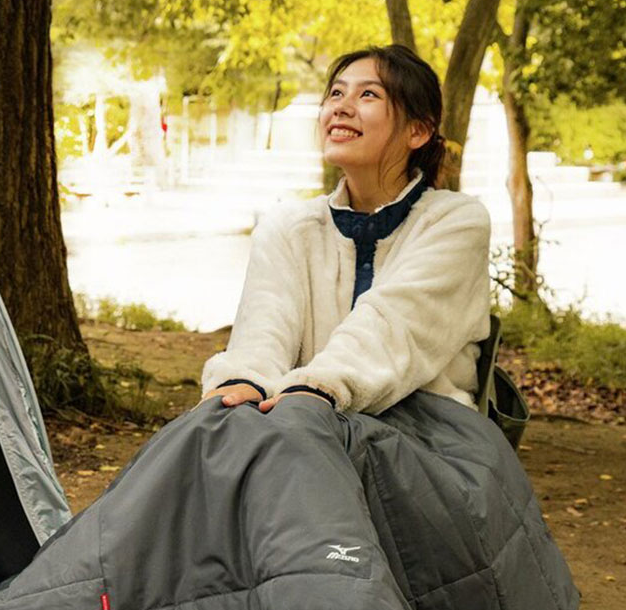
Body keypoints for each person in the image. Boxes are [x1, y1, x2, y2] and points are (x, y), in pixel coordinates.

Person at [201, 44, 491, 415]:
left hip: (425, 426)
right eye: (336, 93)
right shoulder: (288, 227)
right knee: (214, 425)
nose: (341, 106)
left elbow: (392, 327)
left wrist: (316, 390)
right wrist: (243, 382)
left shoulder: (455, 221)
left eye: (368, 94)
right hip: (296, 415)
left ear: (418, 131)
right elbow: (262, 329)